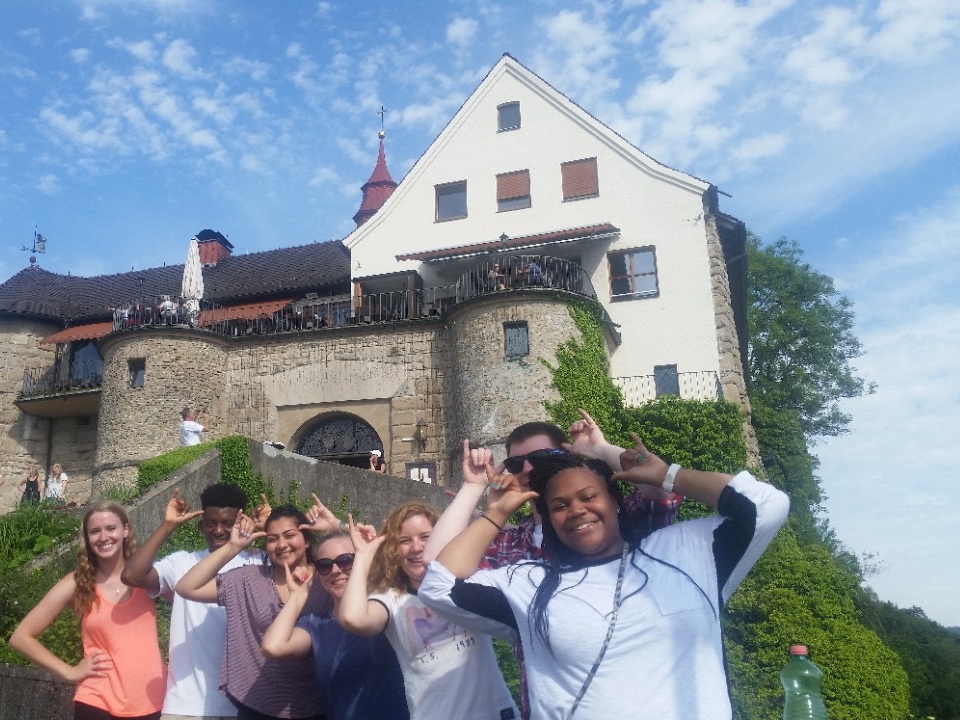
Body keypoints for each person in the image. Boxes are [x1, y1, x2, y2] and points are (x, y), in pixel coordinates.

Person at [419, 434, 790, 720]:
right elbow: (439, 584)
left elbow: (765, 505)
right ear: (547, 519)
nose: (576, 510)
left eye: (588, 496)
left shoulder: (683, 550)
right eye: (559, 506)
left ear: (614, 499)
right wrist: (495, 512)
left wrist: (667, 475)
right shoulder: (528, 583)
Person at [424, 411, 680, 718]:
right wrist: (474, 486)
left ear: (566, 453)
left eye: (542, 455)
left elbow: (662, 492)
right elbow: (436, 568)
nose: (529, 468)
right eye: (517, 463)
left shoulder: (611, 519)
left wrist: (598, 451)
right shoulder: (513, 543)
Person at [338, 502, 519, 720]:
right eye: (404, 541)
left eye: (426, 537)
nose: (416, 547)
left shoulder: (465, 583)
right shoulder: (392, 599)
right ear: (393, 550)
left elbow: (520, 544)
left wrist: (481, 516)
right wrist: (365, 554)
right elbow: (353, 618)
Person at [121, 484, 273, 720]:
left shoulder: (258, 564)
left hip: (246, 706)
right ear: (201, 525)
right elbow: (132, 575)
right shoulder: (181, 562)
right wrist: (167, 526)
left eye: (228, 523)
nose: (219, 530)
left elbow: (302, 569)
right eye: (211, 522)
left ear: (242, 521)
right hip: (185, 706)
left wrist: (269, 531)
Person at [176, 502, 336, 720]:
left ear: (307, 539)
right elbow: (187, 587)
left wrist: (337, 526)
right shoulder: (249, 579)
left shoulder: (330, 577)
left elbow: (376, 562)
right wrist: (233, 547)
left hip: (319, 706)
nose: (281, 545)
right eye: (272, 539)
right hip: (258, 706)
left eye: (290, 535)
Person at [9, 502, 166, 720]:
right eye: (95, 531)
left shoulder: (150, 577)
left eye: (111, 528)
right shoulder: (76, 583)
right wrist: (70, 671)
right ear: (87, 537)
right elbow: (21, 637)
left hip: (153, 699)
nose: (103, 537)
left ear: (125, 530)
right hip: (97, 701)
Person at [262, 529, 410, 720]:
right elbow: (272, 646)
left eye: (345, 560)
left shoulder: (390, 609)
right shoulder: (316, 625)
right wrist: (298, 596)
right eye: (324, 565)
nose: (335, 570)